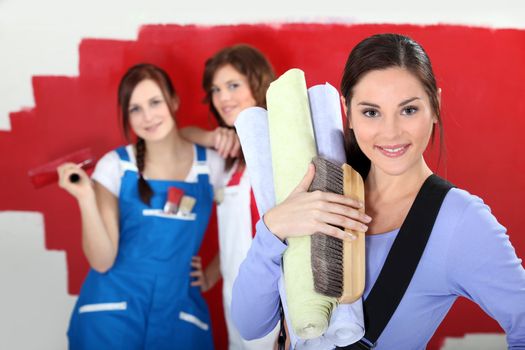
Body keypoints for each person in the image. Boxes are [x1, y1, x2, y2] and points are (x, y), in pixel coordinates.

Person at [230, 34, 525, 349]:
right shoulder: (317, 191)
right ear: (349, 113)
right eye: (371, 112)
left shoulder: (460, 221)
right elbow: (251, 323)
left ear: (435, 106)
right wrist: (273, 228)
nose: (391, 132)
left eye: (408, 110)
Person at [57, 63, 224, 349]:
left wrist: (212, 272)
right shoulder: (116, 166)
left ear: (173, 101)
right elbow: (102, 260)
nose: (147, 116)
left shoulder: (210, 166)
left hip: (178, 315)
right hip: (110, 316)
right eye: (135, 109)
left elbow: (249, 224)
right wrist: (86, 197)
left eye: (155, 102)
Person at [180, 44, 280, 349]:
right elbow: (173, 138)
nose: (223, 97)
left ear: (258, 83)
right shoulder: (227, 160)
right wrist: (213, 271)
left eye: (233, 85)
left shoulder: (280, 146)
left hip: (277, 301)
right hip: (235, 301)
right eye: (216, 89)